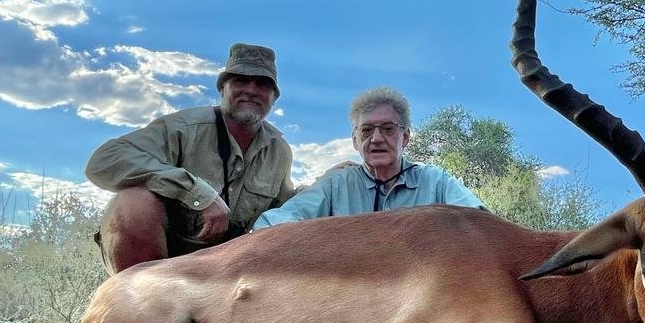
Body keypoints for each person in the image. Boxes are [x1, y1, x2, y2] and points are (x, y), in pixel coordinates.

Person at [86, 42, 295, 273]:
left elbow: (287, 207)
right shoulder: (183, 128)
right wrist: (196, 192)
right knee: (134, 200)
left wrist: (334, 181)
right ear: (222, 89)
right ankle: (140, 300)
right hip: (163, 259)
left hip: (226, 266)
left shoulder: (279, 150)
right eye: (240, 80)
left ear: (274, 98)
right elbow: (104, 160)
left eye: (263, 84)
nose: (251, 90)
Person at [254, 86, 484, 229]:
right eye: (366, 130)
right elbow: (270, 224)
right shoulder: (336, 184)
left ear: (405, 137)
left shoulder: (435, 181)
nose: (375, 139)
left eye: (387, 128)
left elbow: (481, 222)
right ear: (355, 140)